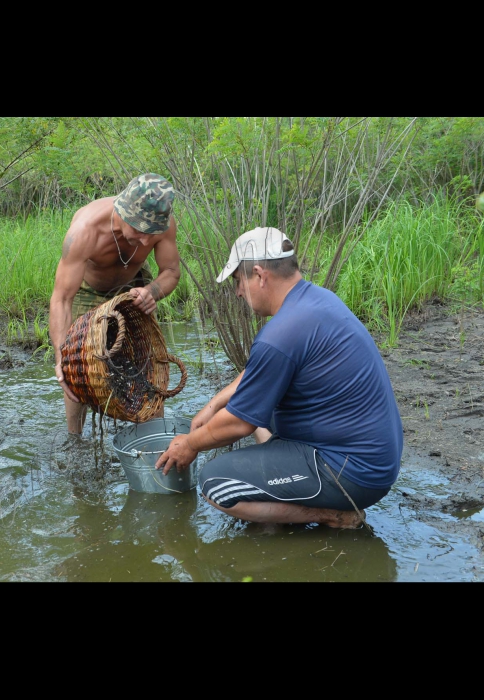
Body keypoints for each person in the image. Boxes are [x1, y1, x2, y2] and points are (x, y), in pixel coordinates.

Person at [155, 226, 403, 529]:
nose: (237, 292)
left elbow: (238, 424)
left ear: (259, 275)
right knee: (258, 405)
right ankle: (292, 484)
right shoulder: (315, 301)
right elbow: (261, 372)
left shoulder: (281, 333)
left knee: (217, 484)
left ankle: (334, 515)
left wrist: (190, 444)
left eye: (238, 281)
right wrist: (214, 403)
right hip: (372, 457)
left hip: (353, 473)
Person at [49, 173, 181, 434]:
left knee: (148, 362)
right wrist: (61, 357)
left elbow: (172, 272)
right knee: (77, 364)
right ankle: (75, 438)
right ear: (122, 212)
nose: (145, 241)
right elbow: (61, 299)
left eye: (151, 233)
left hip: (135, 287)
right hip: (89, 291)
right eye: (140, 230)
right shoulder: (85, 230)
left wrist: (151, 292)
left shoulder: (164, 225)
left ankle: (153, 436)